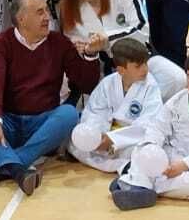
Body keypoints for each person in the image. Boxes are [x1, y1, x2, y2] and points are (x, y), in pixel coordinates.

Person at [0, 0, 102, 196]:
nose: (47, 17)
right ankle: (17, 168)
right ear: (22, 19)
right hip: (8, 125)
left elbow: (87, 84)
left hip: (42, 125)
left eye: (47, 10)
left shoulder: (60, 43)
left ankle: (8, 164)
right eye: (40, 12)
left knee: (68, 114)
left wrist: (91, 55)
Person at [109, 50, 189, 210]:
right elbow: (158, 127)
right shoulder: (178, 99)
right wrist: (152, 147)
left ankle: (137, 183)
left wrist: (182, 166)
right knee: (142, 149)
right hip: (174, 155)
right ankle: (139, 183)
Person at [60, 0, 187, 98]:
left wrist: (106, 38)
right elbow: (78, 51)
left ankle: (150, 110)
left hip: (142, 59)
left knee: (177, 79)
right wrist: (90, 51)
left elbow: (142, 29)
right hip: (107, 72)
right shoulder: (70, 10)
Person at [70, 38, 165, 173]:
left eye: (145, 63)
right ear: (121, 70)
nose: (145, 69)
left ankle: (121, 166)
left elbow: (148, 123)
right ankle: (122, 166)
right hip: (106, 136)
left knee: (143, 151)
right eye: (138, 66)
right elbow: (95, 112)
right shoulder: (107, 83)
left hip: (129, 139)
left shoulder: (151, 87)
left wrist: (115, 139)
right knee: (75, 141)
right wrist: (99, 136)